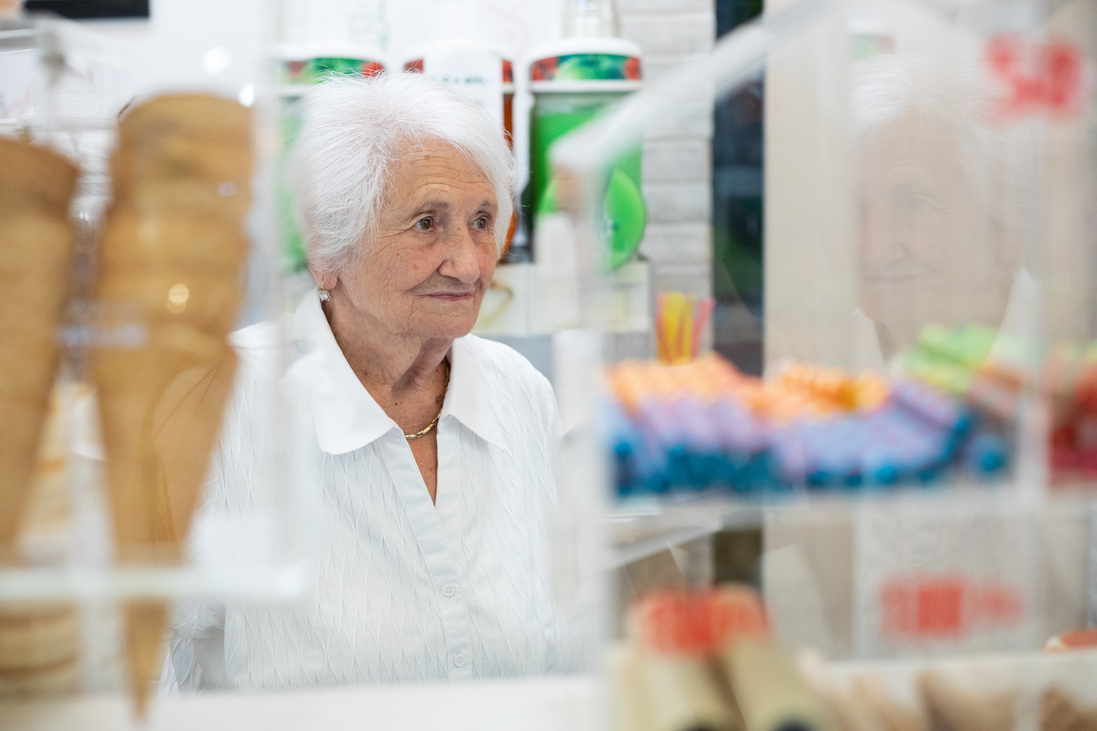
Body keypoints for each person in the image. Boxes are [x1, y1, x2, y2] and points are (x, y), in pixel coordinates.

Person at [163, 73, 569, 691]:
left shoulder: (521, 393)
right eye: (427, 224)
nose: (466, 263)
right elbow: (152, 668)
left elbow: (563, 642)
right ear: (329, 250)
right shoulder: (223, 403)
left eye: (483, 221)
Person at [852, 54, 1028, 365]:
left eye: (916, 204)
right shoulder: (816, 353)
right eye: (855, 207)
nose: (875, 250)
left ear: (1006, 223)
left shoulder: (1072, 345)